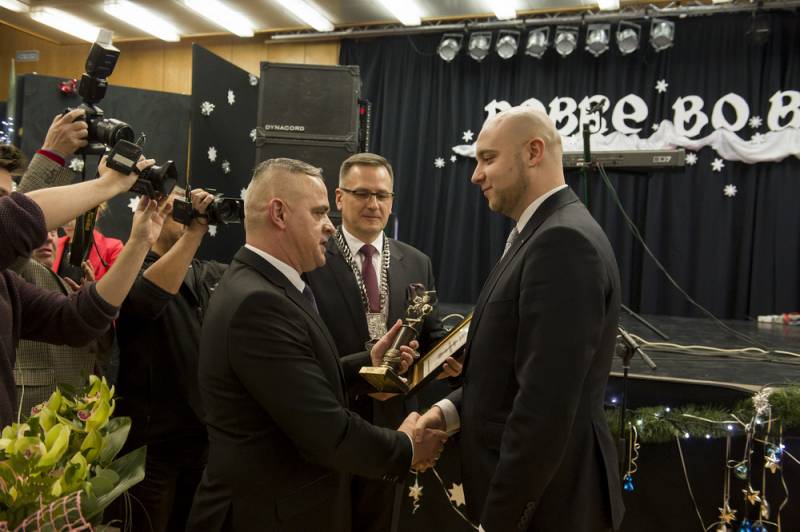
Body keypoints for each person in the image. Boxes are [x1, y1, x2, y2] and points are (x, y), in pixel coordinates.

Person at [188, 158, 448, 532]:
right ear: (279, 213)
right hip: (264, 514)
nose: (329, 225)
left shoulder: (265, 286)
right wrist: (406, 447)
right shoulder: (258, 302)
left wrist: (366, 364)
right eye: (319, 213)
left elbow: (296, 381)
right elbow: (325, 429)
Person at [414, 107, 625, 532]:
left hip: (548, 506)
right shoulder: (540, 233)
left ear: (533, 152)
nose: (476, 175)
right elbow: (508, 377)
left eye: (488, 158)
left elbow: (544, 407)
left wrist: (500, 520)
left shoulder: (562, 241)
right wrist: (446, 412)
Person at [306, 152, 460, 532]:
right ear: (339, 198)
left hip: (395, 421)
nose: (373, 204)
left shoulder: (417, 261)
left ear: (392, 200)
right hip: (332, 416)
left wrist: (453, 353)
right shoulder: (312, 255)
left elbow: (431, 332)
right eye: (362, 193)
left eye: (382, 195)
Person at [0, 151, 170, 427]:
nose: (6, 204)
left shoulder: (7, 284)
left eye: (8, 196)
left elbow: (78, 319)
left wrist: (140, 242)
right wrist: (108, 184)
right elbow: (14, 220)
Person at [113, 187, 223, 532]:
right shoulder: (129, 267)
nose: (188, 214)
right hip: (150, 445)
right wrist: (195, 232)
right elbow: (146, 301)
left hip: (201, 437)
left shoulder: (205, 272)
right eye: (178, 206)